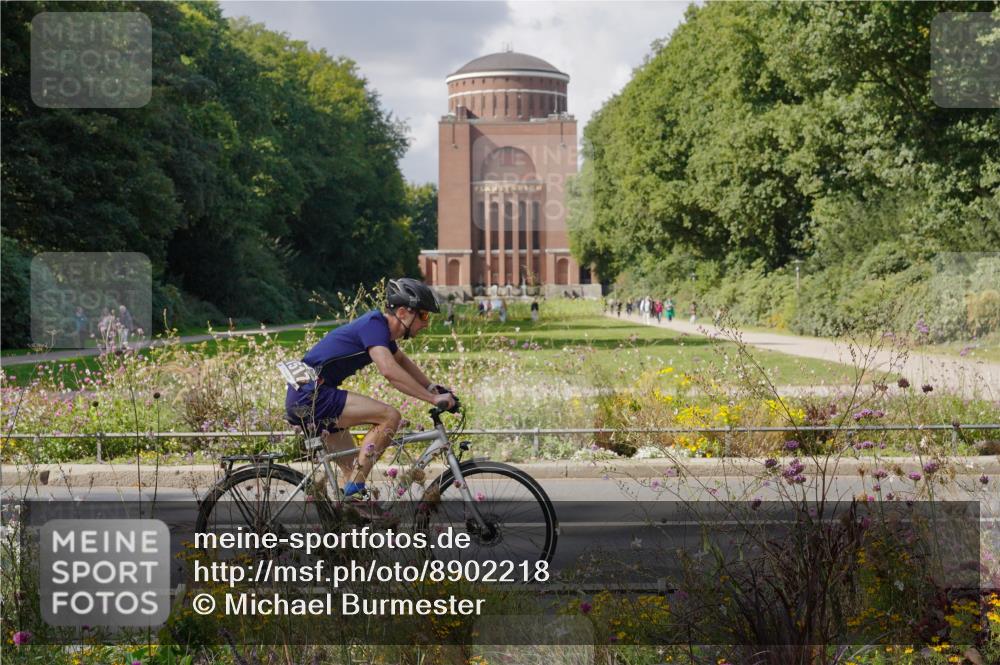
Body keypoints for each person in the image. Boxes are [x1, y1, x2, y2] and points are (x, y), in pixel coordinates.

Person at [285, 278, 457, 505]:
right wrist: (433, 399)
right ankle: (354, 496)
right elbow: (389, 370)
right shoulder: (374, 325)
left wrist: (431, 387)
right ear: (403, 313)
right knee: (390, 416)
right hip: (312, 396)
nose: (426, 323)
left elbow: (401, 360)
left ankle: (348, 521)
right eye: (424, 315)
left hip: (311, 395)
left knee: (353, 474)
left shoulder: (381, 332)